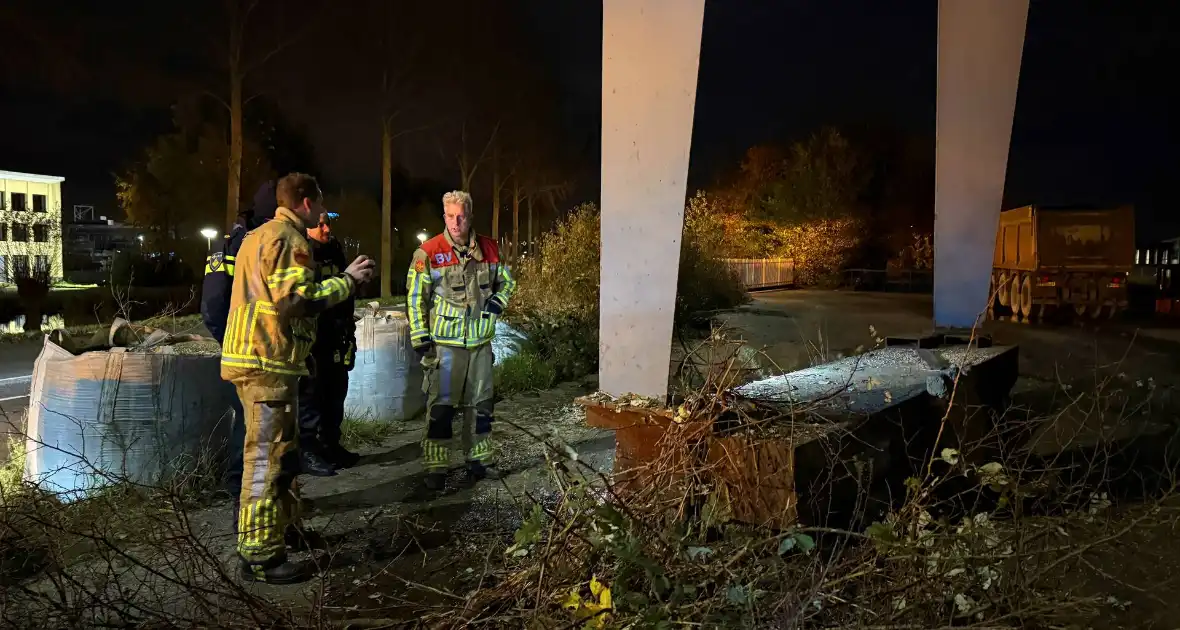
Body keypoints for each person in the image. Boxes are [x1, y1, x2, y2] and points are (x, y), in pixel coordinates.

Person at [222, 172, 375, 584]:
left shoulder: (255, 236)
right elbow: (295, 300)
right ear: (305, 202)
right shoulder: (290, 240)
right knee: (267, 458)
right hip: (267, 362)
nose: (324, 213)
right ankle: (260, 555)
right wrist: (348, 282)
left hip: (260, 359)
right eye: (321, 204)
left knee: (283, 453)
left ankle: (285, 532)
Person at [406, 190, 516, 491]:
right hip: (445, 346)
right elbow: (416, 299)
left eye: (461, 215)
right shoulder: (428, 253)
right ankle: (436, 467)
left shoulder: (490, 249)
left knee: (481, 406)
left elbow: (508, 282)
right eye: (450, 215)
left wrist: (495, 304)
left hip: (480, 344)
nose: (456, 221)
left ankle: (479, 460)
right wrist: (420, 339)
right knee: (440, 409)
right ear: (444, 217)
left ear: (470, 216)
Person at [200, 180, 278, 504]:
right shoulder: (241, 243)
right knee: (252, 435)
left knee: (264, 435)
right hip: (254, 356)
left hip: (263, 355)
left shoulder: (250, 240)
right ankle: (242, 506)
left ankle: (270, 510)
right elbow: (213, 303)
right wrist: (233, 340)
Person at [297, 210, 360, 476]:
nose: (325, 228)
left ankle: (331, 445)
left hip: (336, 334)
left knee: (336, 392)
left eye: (328, 223)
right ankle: (308, 453)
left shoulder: (335, 249)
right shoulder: (302, 252)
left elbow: (345, 295)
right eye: (319, 224)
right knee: (311, 396)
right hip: (314, 337)